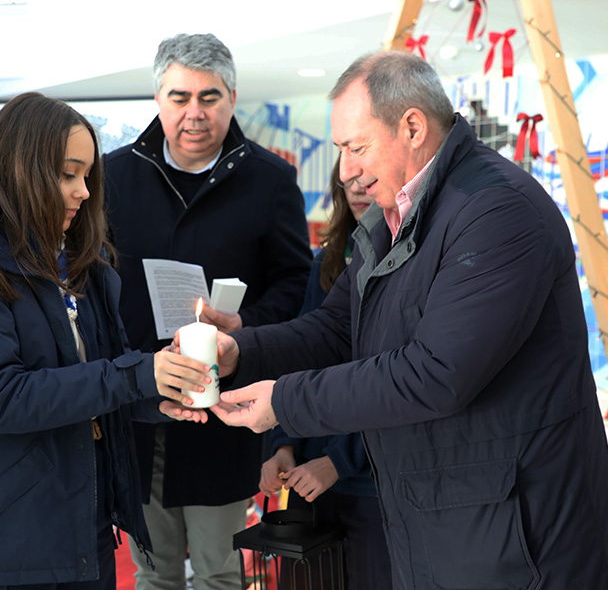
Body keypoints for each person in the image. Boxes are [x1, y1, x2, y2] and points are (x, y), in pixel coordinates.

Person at [206, 51, 608, 589]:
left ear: (413, 126)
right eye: (340, 150)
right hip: (444, 515)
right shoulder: (391, 215)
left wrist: (283, 401)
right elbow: (334, 329)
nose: (345, 169)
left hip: (518, 533)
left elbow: (437, 373)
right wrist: (242, 353)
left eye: (356, 147)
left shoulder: (498, 211)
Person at [0, 92, 213, 590]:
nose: (82, 192)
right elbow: (3, 398)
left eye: (86, 176)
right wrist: (135, 376)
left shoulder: (79, 266)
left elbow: (98, 381)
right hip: (2, 542)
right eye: (66, 174)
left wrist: (159, 391)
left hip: (80, 523)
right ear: (16, 169)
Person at [103, 33, 312, 590]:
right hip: (142, 401)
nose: (194, 113)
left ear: (233, 97)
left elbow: (295, 281)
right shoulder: (112, 177)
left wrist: (248, 327)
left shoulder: (270, 180)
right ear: (157, 99)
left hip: (228, 406)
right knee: (154, 570)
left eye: (209, 97)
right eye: (179, 97)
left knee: (221, 570)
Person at [259, 155, 391, 590]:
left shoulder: (415, 261)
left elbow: (396, 380)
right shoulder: (326, 262)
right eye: (347, 171)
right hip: (306, 480)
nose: (356, 184)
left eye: (367, 169)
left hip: (372, 483)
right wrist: (280, 446)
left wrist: (339, 460)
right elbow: (302, 360)